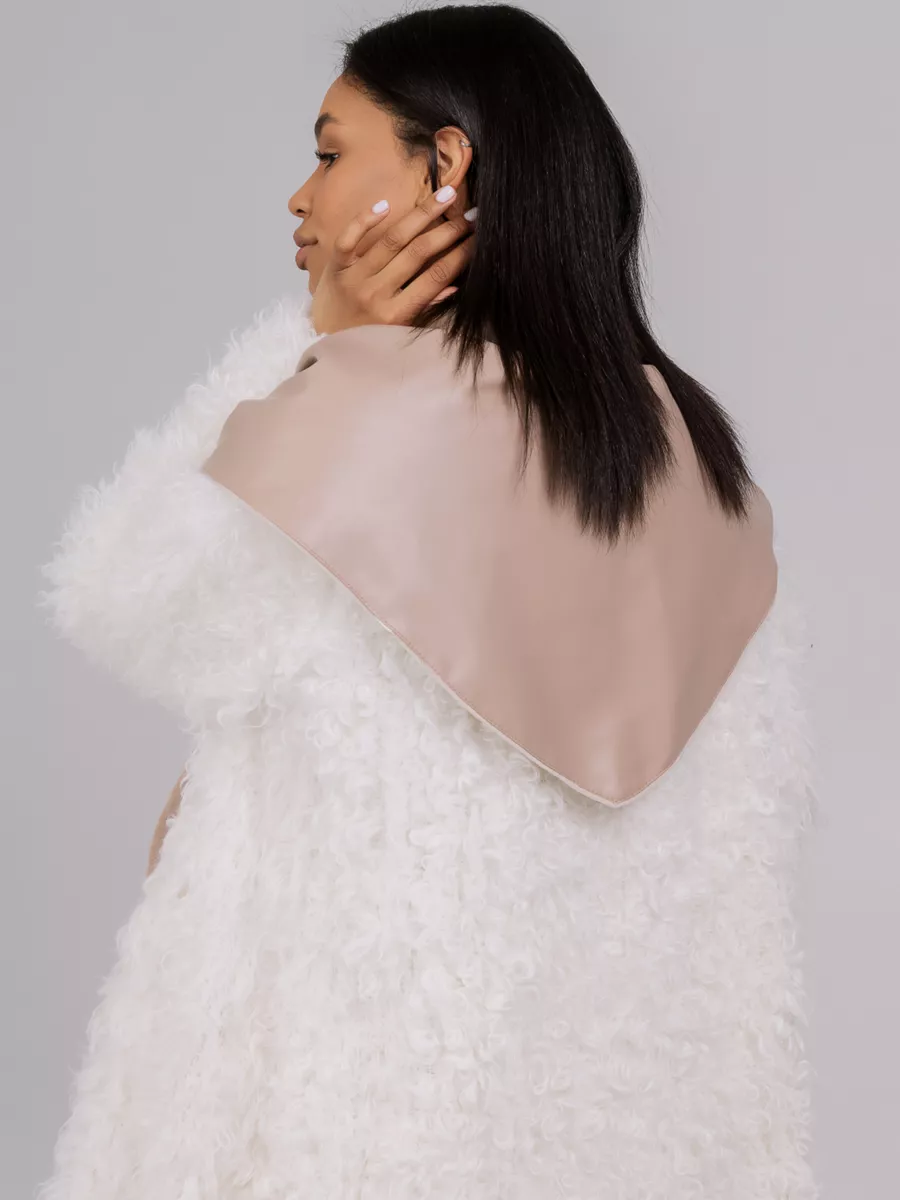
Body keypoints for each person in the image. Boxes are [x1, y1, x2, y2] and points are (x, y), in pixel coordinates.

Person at [36, 5, 820, 1198]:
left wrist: (323, 348)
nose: (300, 199)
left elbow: (125, 594)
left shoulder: (362, 428)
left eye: (330, 152)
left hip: (367, 1129)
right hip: (624, 1139)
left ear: (445, 166)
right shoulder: (701, 473)